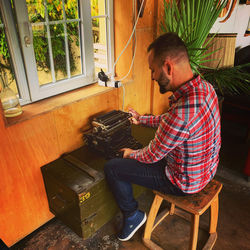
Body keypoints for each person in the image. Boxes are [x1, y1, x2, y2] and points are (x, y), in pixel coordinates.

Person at [104, 32, 221, 241]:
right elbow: (173, 122)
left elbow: (151, 156)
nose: (152, 76)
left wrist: (130, 153)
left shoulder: (181, 113)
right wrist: (143, 120)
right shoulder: (205, 89)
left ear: (168, 67)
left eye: (153, 70)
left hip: (183, 183)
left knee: (113, 167)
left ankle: (132, 216)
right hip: (207, 171)